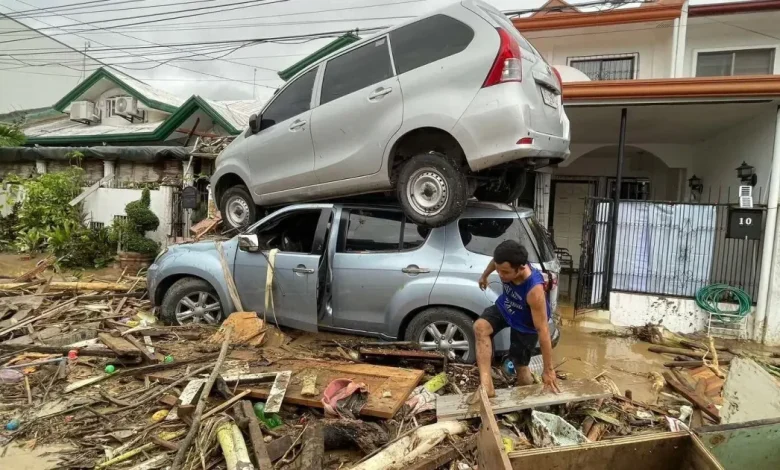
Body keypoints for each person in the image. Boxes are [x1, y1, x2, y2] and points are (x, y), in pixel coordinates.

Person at [474, 240, 560, 397]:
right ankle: (487, 386)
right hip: (507, 307)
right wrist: (484, 276)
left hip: (526, 324)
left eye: (505, 272)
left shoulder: (534, 290)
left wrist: (548, 370)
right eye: (499, 271)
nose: (501, 275)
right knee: (480, 327)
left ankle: (525, 399)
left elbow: (543, 330)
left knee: (520, 367)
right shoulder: (505, 263)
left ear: (520, 268)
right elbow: (495, 262)